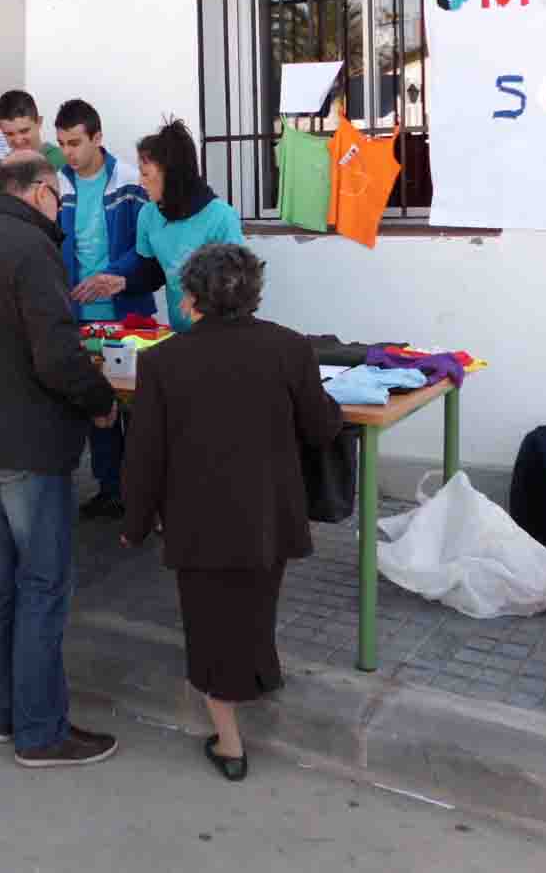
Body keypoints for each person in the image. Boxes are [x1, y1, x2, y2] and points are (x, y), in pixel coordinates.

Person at [121, 243, 342, 781]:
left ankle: (230, 743)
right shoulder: (290, 347)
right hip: (269, 512)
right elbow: (321, 426)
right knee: (256, 603)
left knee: (209, 625)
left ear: (191, 298)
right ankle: (260, 677)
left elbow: (145, 456)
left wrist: (135, 523)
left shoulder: (162, 361)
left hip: (199, 519)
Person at [0, 151, 120, 768]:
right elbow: (58, 355)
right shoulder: (30, 249)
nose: (60, 208)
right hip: (28, 443)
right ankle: (40, 732)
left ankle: (5, 712)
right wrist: (101, 402)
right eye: (58, 197)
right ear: (38, 191)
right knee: (41, 584)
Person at [53, 98, 153, 520]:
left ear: (97, 138)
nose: (69, 153)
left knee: (140, 410)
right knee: (98, 406)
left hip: (128, 314)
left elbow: (146, 246)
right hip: (79, 316)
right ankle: (110, 488)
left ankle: (144, 494)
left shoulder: (130, 181)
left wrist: (115, 275)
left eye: (75, 143)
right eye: (62, 144)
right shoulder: (57, 185)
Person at [135, 118, 245, 333]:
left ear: (171, 174)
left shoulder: (221, 217)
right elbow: (152, 274)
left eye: (146, 174)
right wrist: (122, 281)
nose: (140, 181)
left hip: (221, 335)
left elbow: (239, 285)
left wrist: (200, 295)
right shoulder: (148, 215)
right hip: (179, 333)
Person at [0, 90, 66, 200]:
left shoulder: (63, 160)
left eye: (24, 131)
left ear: (39, 122)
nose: (18, 141)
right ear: (1, 130)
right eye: (9, 134)